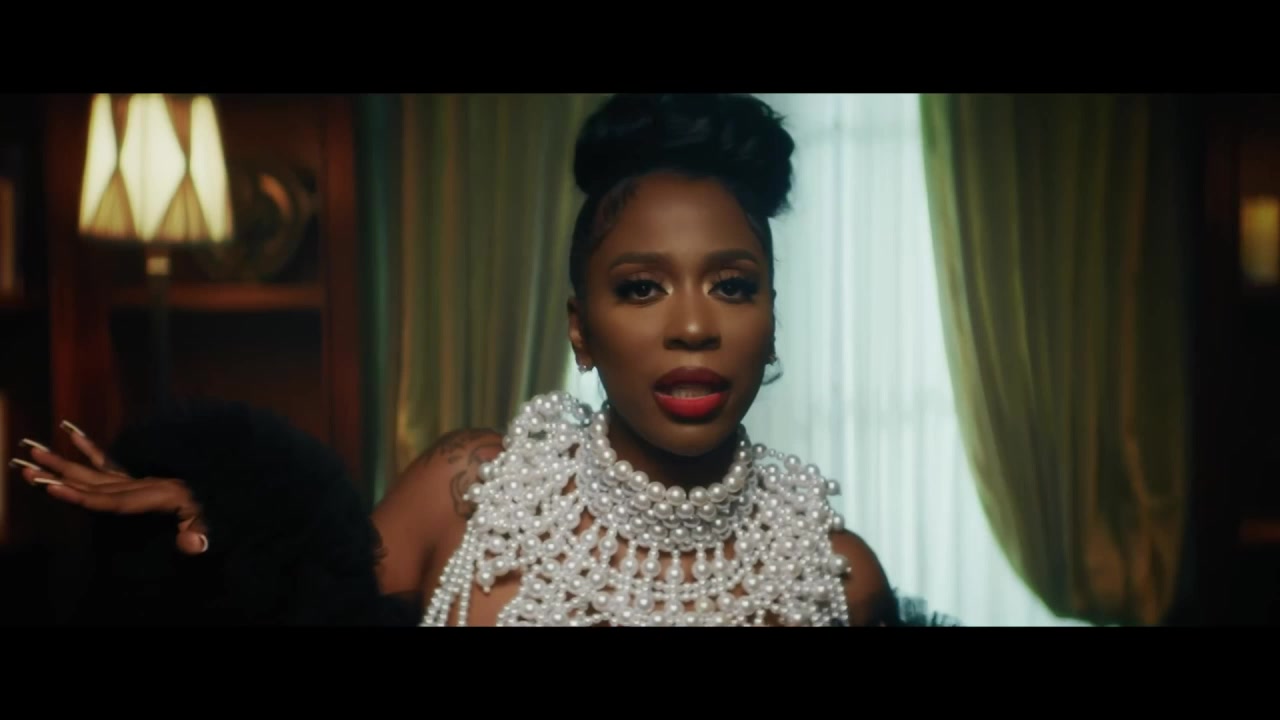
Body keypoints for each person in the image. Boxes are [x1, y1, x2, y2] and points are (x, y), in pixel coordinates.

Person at [12, 93, 900, 627]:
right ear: (580, 329)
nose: (694, 326)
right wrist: (217, 528)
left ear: (772, 322)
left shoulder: (840, 580)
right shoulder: (470, 494)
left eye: (733, 286)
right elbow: (303, 603)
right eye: (641, 288)